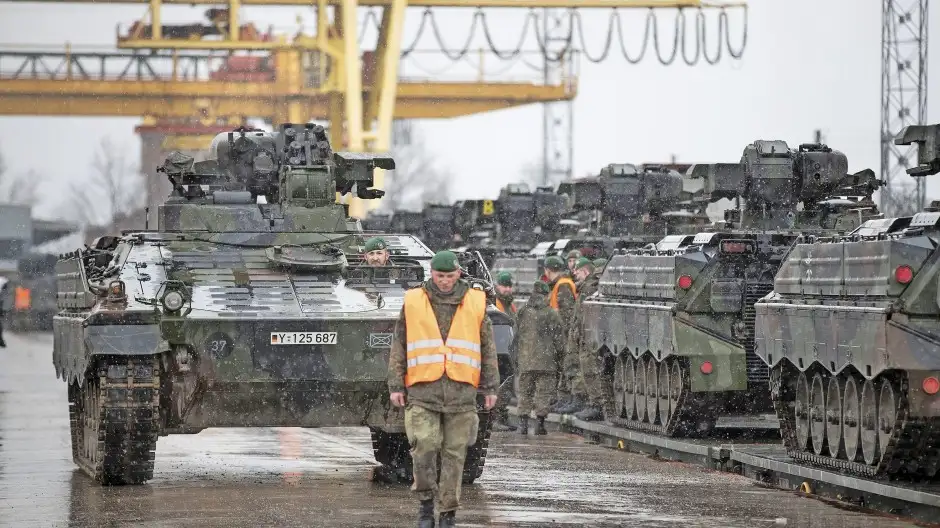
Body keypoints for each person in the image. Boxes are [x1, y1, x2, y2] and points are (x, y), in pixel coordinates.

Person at [387, 250, 499, 528]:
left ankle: (448, 512)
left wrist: (490, 387)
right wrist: (396, 383)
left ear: (459, 273)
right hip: (424, 391)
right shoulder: (414, 301)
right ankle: (426, 504)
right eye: (440, 276)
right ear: (432, 274)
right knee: (423, 447)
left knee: (454, 455)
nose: (445, 281)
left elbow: (487, 347)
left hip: (461, 393)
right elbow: (399, 344)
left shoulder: (475, 301)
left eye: (450, 276)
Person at [512, 280, 565, 435]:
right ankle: (540, 425)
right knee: (543, 393)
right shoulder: (552, 314)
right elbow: (559, 341)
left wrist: (516, 358)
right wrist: (561, 359)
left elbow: (515, 337)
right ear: (546, 294)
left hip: (526, 360)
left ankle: (523, 424)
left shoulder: (522, 312)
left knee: (525, 392)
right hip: (547, 362)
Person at [542, 256, 579, 412]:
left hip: (563, 335)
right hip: (561, 334)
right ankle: (564, 399)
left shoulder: (563, 285)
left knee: (568, 367)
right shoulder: (559, 284)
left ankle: (570, 399)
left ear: (548, 270)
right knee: (564, 367)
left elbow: (566, 314)